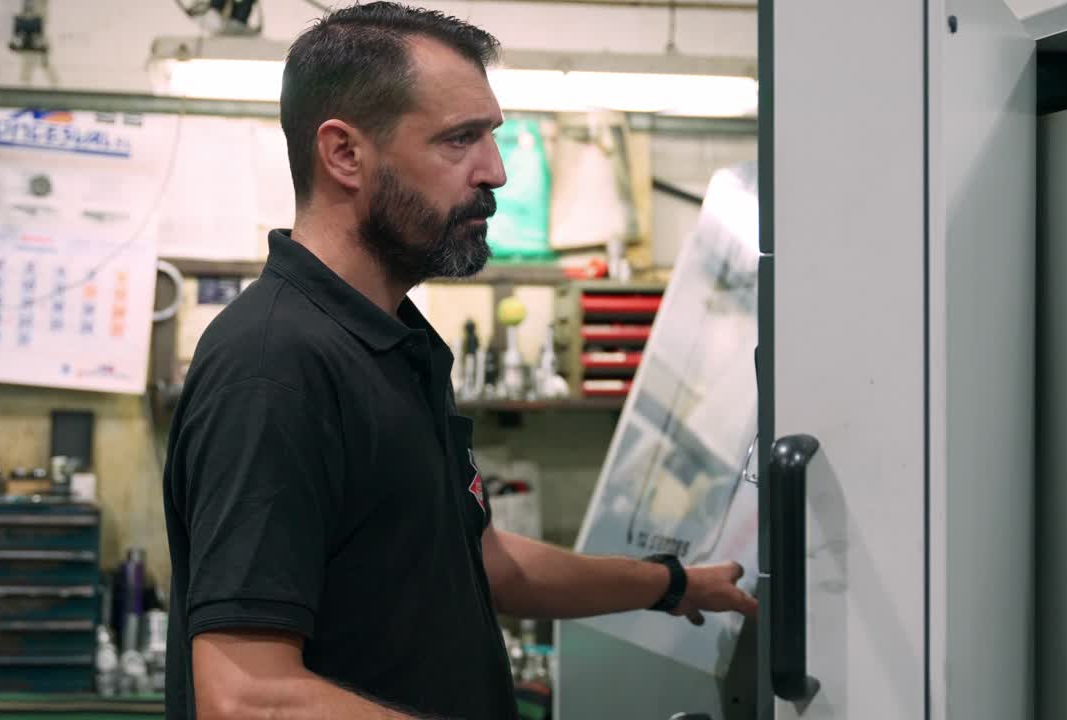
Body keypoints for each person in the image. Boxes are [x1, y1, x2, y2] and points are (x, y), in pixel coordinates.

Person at [161, 3, 758, 718]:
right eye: (459, 140)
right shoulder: (275, 366)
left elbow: (474, 559)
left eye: (491, 137)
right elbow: (247, 696)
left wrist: (669, 584)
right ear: (345, 154)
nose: (497, 172)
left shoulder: (392, 342)